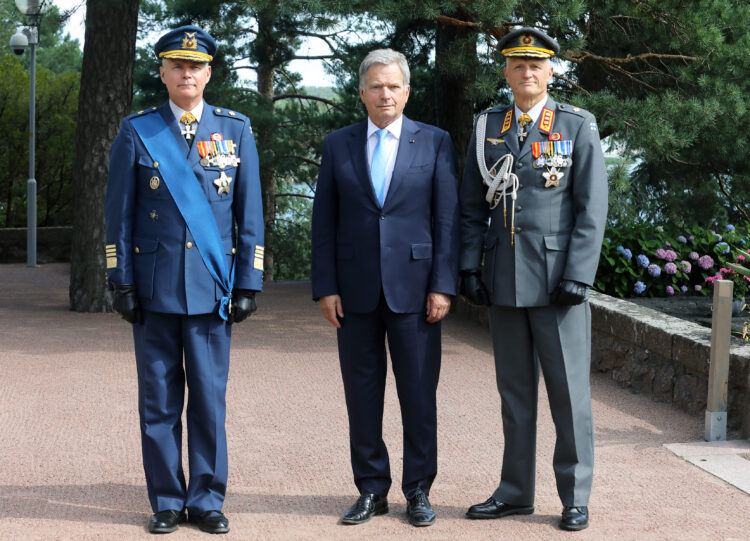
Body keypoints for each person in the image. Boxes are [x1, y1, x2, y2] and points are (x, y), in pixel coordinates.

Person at [104, 25, 264, 535]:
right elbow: (118, 217)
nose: (186, 73)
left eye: (195, 66)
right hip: (153, 290)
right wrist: (119, 279)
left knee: (209, 402)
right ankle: (168, 500)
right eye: (177, 65)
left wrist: (248, 282)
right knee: (158, 402)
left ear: (209, 73)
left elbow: (251, 215)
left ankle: (208, 499)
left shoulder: (235, 129)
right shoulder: (138, 130)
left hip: (212, 289)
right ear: (163, 72)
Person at [459, 27, 608, 532]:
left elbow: (591, 210)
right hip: (504, 278)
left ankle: (574, 496)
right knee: (515, 394)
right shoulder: (488, 126)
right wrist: (468, 265)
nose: (527, 72)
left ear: (551, 72)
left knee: (569, 397)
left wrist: (580, 276)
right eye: (517, 64)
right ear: (505, 72)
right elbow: (468, 207)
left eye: (536, 65)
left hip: (557, 282)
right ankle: (515, 491)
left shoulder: (575, 124)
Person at [311, 48, 459, 527]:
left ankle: (418, 490)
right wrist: (325, 286)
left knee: (418, 395)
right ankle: (371, 490)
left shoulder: (434, 142)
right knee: (362, 395)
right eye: (376, 86)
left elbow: (446, 219)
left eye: (393, 85)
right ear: (361, 93)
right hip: (352, 293)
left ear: (407, 91)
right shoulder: (338, 144)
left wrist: (443, 285)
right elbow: (324, 222)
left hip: (417, 293)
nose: (385, 94)